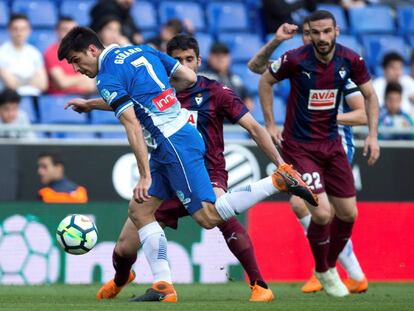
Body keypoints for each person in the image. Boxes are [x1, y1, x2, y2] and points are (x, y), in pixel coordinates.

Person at [59, 27, 317, 302]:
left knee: (207, 217)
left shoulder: (107, 76)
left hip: (172, 144)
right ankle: (163, 285)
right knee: (140, 209)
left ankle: (277, 181)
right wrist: (93, 104)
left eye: (76, 60)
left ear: (91, 50)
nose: (76, 68)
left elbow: (132, 124)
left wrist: (144, 175)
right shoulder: (140, 50)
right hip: (173, 138)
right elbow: (187, 76)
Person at [258, 10, 380, 297]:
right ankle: (326, 269)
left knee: (349, 213)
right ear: (308, 34)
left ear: (336, 31)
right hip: (300, 147)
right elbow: (264, 80)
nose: (322, 37)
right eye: (316, 32)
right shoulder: (296, 59)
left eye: (327, 31)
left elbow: (371, 97)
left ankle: (325, 268)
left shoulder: (351, 61)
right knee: (322, 213)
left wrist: (373, 135)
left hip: (332, 145)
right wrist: (271, 124)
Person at [44, 16, 96, 95]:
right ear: (57, 31)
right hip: (61, 100)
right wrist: (83, 79)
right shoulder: (51, 52)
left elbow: (91, 85)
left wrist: (70, 81)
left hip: (84, 98)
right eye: (65, 30)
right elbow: (62, 83)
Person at [0, 14, 47, 96]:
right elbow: (12, 84)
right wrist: (31, 79)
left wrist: (19, 80)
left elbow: (43, 84)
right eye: (15, 29)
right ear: (9, 30)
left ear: (29, 30)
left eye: (23, 29)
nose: (19, 33)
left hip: (33, 98)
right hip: (8, 100)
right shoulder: (2, 52)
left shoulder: (35, 53)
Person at [200, 42, 254, 111]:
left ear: (229, 58)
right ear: (209, 57)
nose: (220, 59)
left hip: (235, 119)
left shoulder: (235, 78)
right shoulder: (202, 76)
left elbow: (248, 97)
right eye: (217, 55)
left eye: (224, 55)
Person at [373, 52, 414, 119]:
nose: (397, 72)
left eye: (400, 68)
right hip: (384, 124)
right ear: (384, 69)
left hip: (409, 124)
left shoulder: (408, 82)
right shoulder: (376, 86)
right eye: (393, 68)